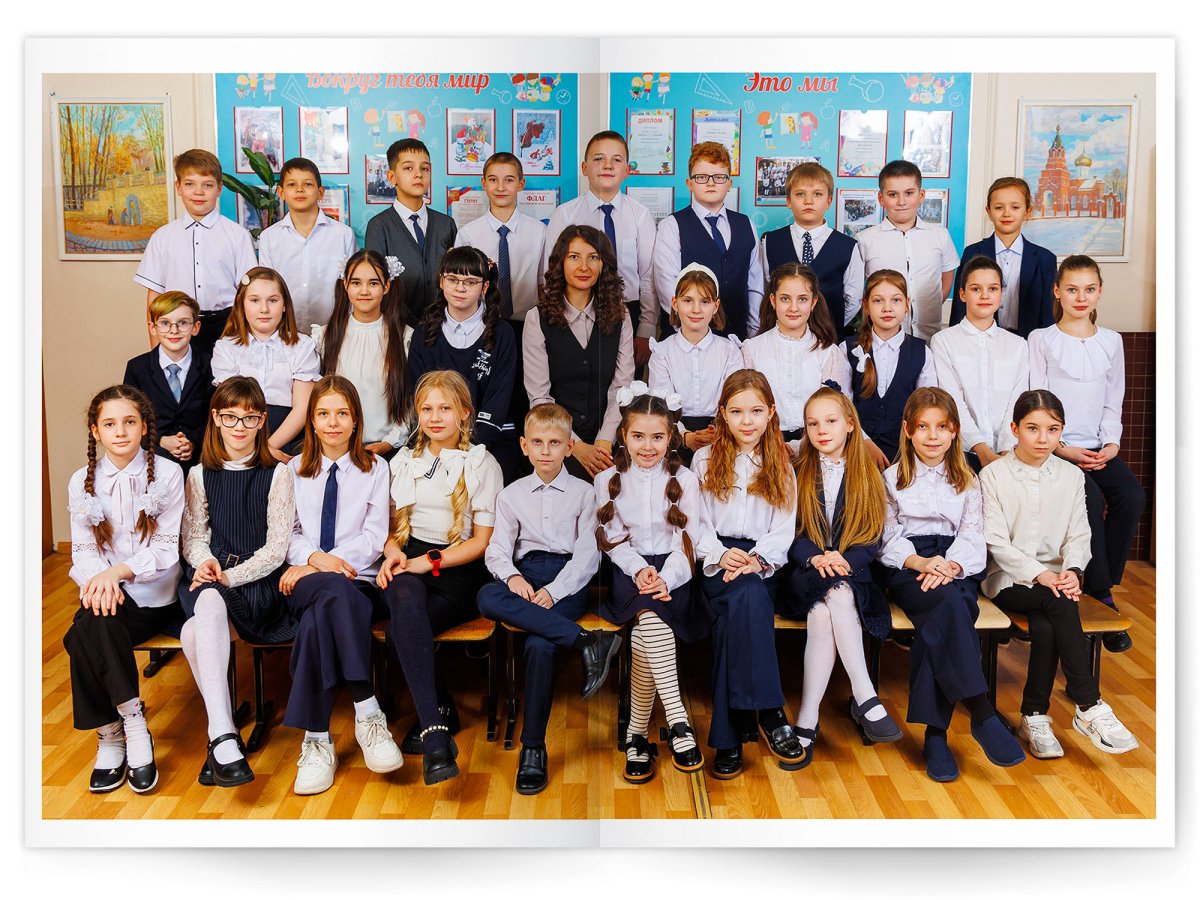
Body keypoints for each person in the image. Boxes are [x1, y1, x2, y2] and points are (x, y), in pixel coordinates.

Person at [979, 389, 1139, 758]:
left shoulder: (1071, 476)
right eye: (1032, 428)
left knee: (1048, 621)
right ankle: (1088, 702)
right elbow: (994, 541)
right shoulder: (993, 475)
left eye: (1052, 430)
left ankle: (1035, 717)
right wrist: (1040, 575)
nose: (1043, 439)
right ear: (1014, 429)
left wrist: (1072, 571)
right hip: (1007, 578)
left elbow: (1080, 533)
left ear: (1061, 431)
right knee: (1058, 603)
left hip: (1057, 580)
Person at [878, 387, 1026, 781]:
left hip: (956, 561)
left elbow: (973, 533)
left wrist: (952, 565)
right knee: (951, 607)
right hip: (911, 563)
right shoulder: (892, 478)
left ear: (955, 430)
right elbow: (887, 536)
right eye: (923, 427)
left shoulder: (968, 479)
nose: (932, 435)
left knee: (946, 612)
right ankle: (980, 709)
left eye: (941, 427)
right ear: (908, 430)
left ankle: (936, 737)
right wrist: (922, 562)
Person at [476, 403, 621, 795]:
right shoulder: (511, 495)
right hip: (525, 576)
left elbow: (588, 556)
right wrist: (513, 578)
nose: (545, 450)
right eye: (537, 442)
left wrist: (554, 590)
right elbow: (497, 550)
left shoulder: (585, 494)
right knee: (487, 595)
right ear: (524, 446)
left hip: (566, 580)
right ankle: (587, 641)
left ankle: (533, 748)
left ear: (570, 447)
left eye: (554, 443)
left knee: (540, 646)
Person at [376, 370, 503, 785]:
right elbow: (392, 532)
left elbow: (481, 541)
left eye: (445, 408)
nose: (434, 417)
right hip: (410, 560)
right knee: (403, 601)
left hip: (457, 568)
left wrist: (425, 561)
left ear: (465, 413)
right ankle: (435, 733)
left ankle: (438, 714)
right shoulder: (402, 462)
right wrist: (393, 553)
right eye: (427, 408)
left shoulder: (482, 463)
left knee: (400, 633)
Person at [278, 375, 403, 795]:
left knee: (319, 620)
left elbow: (374, 536)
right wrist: (316, 560)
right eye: (323, 414)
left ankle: (316, 740)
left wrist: (331, 565)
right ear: (311, 422)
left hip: (357, 580)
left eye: (342, 414)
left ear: (355, 420)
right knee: (327, 596)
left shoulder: (375, 468)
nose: (333, 423)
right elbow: (287, 533)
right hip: (305, 578)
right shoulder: (293, 470)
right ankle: (368, 711)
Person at [63, 385, 185, 794]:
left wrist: (116, 574)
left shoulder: (168, 474)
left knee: (81, 633)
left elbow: (166, 549)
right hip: (109, 597)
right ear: (95, 431)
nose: (120, 431)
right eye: (110, 424)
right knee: (95, 620)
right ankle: (125, 725)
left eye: (130, 422)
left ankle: (114, 731)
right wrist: (101, 581)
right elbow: (83, 551)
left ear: (144, 427)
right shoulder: (81, 481)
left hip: (158, 597)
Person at [178, 376, 296, 788]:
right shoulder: (199, 474)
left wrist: (230, 576)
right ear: (216, 418)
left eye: (249, 418)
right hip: (213, 575)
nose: (239, 426)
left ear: (262, 421)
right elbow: (193, 537)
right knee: (202, 612)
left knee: (197, 624)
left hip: (257, 582)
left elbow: (277, 548)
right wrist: (206, 563)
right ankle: (223, 733)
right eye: (230, 417)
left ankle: (220, 735)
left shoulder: (277, 473)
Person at [691, 370, 806, 778]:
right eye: (737, 411)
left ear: (771, 413)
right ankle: (770, 712)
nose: (747, 421)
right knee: (746, 597)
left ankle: (730, 738)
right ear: (722, 413)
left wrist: (757, 559)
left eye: (756, 411)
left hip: (762, 562)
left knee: (737, 612)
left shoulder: (782, 464)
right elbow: (696, 523)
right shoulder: (704, 460)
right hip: (718, 562)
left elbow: (784, 527)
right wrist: (721, 555)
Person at [1028, 255, 1143, 653]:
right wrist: (1062, 447)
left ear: (1099, 293)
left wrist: (1111, 445)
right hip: (1057, 450)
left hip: (1098, 447)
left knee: (1131, 496)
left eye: (1089, 289)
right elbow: (1037, 401)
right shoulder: (1041, 339)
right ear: (1057, 292)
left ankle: (1101, 581)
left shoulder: (1111, 341)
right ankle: (1101, 595)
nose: (1081, 297)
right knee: (1090, 500)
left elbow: (1114, 400)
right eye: (1072, 289)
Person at [596, 383, 710, 784]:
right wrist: (638, 569)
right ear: (623, 435)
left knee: (649, 626)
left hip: (676, 570)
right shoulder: (607, 479)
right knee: (650, 617)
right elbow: (612, 540)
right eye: (638, 436)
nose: (648, 446)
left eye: (658, 437)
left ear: (671, 437)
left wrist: (667, 577)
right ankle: (678, 720)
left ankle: (636, 734)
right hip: (628, 570)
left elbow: (688, 540)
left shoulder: (686, 479)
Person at [779, 387, 899, 755]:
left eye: (830, 421)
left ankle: (807, 718)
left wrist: (845, 561)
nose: (821, 430)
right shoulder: (796, 471)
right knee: (835, 592)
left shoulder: (869, 474)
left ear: (850, 424)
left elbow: (873, 537)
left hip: (854, 573)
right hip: (805, 573)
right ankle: (865, 695)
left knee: (826, 609)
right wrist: (816, 558)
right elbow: (789, 531)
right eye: (812, 423)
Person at [523, 225, 634, 479]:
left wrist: (604, 442)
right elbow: (540, 397)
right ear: (560, 263)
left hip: (608, 446)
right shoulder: (536, 319)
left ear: (603, 264)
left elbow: (622, 387)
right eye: (574, 257)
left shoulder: (621, 316)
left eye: (593, 257)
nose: (584, 266)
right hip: (556, 447)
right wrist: (575, 446)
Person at [542, 131, 657, 367]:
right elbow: (551, 273)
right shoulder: (565, 214)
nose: (607, 165)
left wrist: (646, 328)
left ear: (627, 170)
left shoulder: (640, 215)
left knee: (624, 383)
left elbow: (648, 277)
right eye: (598, 159)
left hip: (628, 311)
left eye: (616, 159)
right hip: (575, 311)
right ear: (584, 168)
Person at [455, 151, 547, 441]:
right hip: (484, 327)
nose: (501, 187)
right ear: (484, 183)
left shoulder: (539, 232)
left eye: (509, 180)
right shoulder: (469, 234)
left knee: (525, 393)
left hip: (527, 326)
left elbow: (545, 283)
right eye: (493, 180)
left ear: (521, 183)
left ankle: (527, 451)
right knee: (489, 393)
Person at [408, 246, 521, 482]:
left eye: (470, 282)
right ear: (441, 282)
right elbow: (419, 395)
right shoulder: (423, 333)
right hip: (435, 438)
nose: (460, 288)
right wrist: (443, 446)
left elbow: (499, 399)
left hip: (490, 440)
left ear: (484, 287)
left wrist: (467, 449)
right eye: (452, 279)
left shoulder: (502, 333)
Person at [134, 149, 256, 353]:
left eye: (207, 185)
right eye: (190, 184)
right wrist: (155, 351)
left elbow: (248, 293)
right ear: (178, 187)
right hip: (177, 327)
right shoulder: (162, 237)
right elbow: (154, 296)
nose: (199, 192)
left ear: (219, 188)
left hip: (227, 326)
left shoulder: (238, 236)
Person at [739, 262, 854, 453]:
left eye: (802, 299)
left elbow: (837, 411)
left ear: (813, 302)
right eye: (785, 299)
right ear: (773, 300)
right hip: (764, 448)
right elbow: (745, 406)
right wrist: (772, 447)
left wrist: (799, 446)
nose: (793, 308)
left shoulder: (828, 352)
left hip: (815, 448)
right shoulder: (752, 349)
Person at [652, 141, 763, 339]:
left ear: (729, 184)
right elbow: (667, 285)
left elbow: (755, 285)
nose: (711, 183)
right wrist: (689, 334)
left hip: (737, 337)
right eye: (702, 177)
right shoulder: (672, 225)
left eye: (719, 177)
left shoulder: (746, 224)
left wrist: (754, 332)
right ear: (690, 184)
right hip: (684, 338)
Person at [211, 266, 321, 460]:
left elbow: (302, 408)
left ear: (284, 305)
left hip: (288, 435)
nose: (264, 309)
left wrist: (268, 448)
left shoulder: (302, 346)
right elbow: (230, 407)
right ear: (241, 304)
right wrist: (252, 450)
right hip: (240, 433)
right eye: (254, 300)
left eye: (273, 300)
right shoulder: (226, 348)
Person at [931, 255, 1029, 471]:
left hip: (1010, 452)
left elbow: (1017, 401)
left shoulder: (1018, 345)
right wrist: (983, 451)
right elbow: (952, 400)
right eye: (976, 289)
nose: (985, 295)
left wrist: (1005, 453)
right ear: (962, 294)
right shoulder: (944, 342)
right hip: (961, 452)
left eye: (993, 289)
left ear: (1001, 294)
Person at [843, 159, 960, 341]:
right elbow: (856, 289)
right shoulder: (865, 240)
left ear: (921, 195)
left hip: (930, 336)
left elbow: (946, 281)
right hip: (882, 338)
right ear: (881, 198)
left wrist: (929, 305)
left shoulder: (940, 236)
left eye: (909, 193)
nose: (901, 202)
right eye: (893, 194)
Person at [312, 249, 412, 459]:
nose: (364, 291)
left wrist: (389, 442)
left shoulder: (404, 338)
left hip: (387, 449)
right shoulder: (326, 336)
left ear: (386, 286)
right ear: (345, 285)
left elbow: (409, 400)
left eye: (373, 283)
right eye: (356, 283)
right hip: (335, 448)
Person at [646, 263, 743, 463]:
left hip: (722, 435)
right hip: (673, 437)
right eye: (688, 300)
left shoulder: (730, 351)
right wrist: (685, 437)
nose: (696, 309)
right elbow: (661, 405)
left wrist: (716, 432)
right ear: (675, 303)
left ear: (715, 306)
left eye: (705, 301)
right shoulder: (662, 352)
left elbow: (735, 400)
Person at [845, 268, 937, 466]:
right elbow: (842, 405)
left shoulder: (921, 352)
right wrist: (865, 442)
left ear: (907, 304)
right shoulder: (847, 349)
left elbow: (926, 408)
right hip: (856, 447)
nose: (887, 308)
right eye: (878, 301)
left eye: (896, 300)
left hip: (905, 450)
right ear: (866, 306)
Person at [257, 156, 358, 332]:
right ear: (281, 192)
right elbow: (266, 288)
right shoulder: (269, 237)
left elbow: (352, 285)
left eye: (308, 184)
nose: (300, 189)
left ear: (320, 192)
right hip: (285, 331)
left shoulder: (343, 235)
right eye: (292, 184)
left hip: (333, 331)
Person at [759, 161, 857, 339]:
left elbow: (853, 300)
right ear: (788, 201)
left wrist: (828, 325)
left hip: (829, 338)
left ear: (829, 201)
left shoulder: (848, 246)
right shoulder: (770, 242)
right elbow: (766, 290)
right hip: (781, 338)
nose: (808, 201)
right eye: (800, 194)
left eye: (817, 194)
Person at [948, 176, 1056, 338]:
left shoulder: (1045, 259)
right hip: (979, 339)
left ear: (1027, 212)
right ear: (989, 212)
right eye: (999, 207)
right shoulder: (972, 253)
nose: (1006, 213)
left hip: (1028, 342)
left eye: (1015, 207)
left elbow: (1048, 313)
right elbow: (959, 307)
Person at [364, 138, 458, 324]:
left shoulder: (446, 224)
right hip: (398, 326)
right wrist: (412, 326)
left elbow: (458, 276)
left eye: (424, 168)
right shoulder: (379, 226)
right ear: (392, 177)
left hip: (445, 325)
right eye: (408, 168)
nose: (418, 174)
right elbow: (377, 283)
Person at [123, 291, 213, 475]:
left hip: (202, 458)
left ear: (195, 327)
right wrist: (161, 441)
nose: (174, 330)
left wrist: (191, 442)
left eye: (183, 323)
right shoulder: (137, 368)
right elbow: (131, 419)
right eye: (165, 323)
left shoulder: (211, 365)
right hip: (152, 459)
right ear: (152, 328)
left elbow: (215, 416)